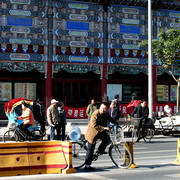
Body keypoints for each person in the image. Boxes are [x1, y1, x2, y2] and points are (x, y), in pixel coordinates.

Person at [84, 102, 120, 170]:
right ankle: (87, 165)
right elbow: (94, 125)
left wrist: (115, 122)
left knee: (107, 138)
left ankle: (99, 151)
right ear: (100, 107)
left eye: (105, 108)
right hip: (92, 133)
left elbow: (109, 118)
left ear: (107, 109)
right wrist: (104, 128)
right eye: (102, 108)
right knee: (91, 149)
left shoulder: (106, 113)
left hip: (100, 132)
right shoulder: (95, 114)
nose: (103, 110)